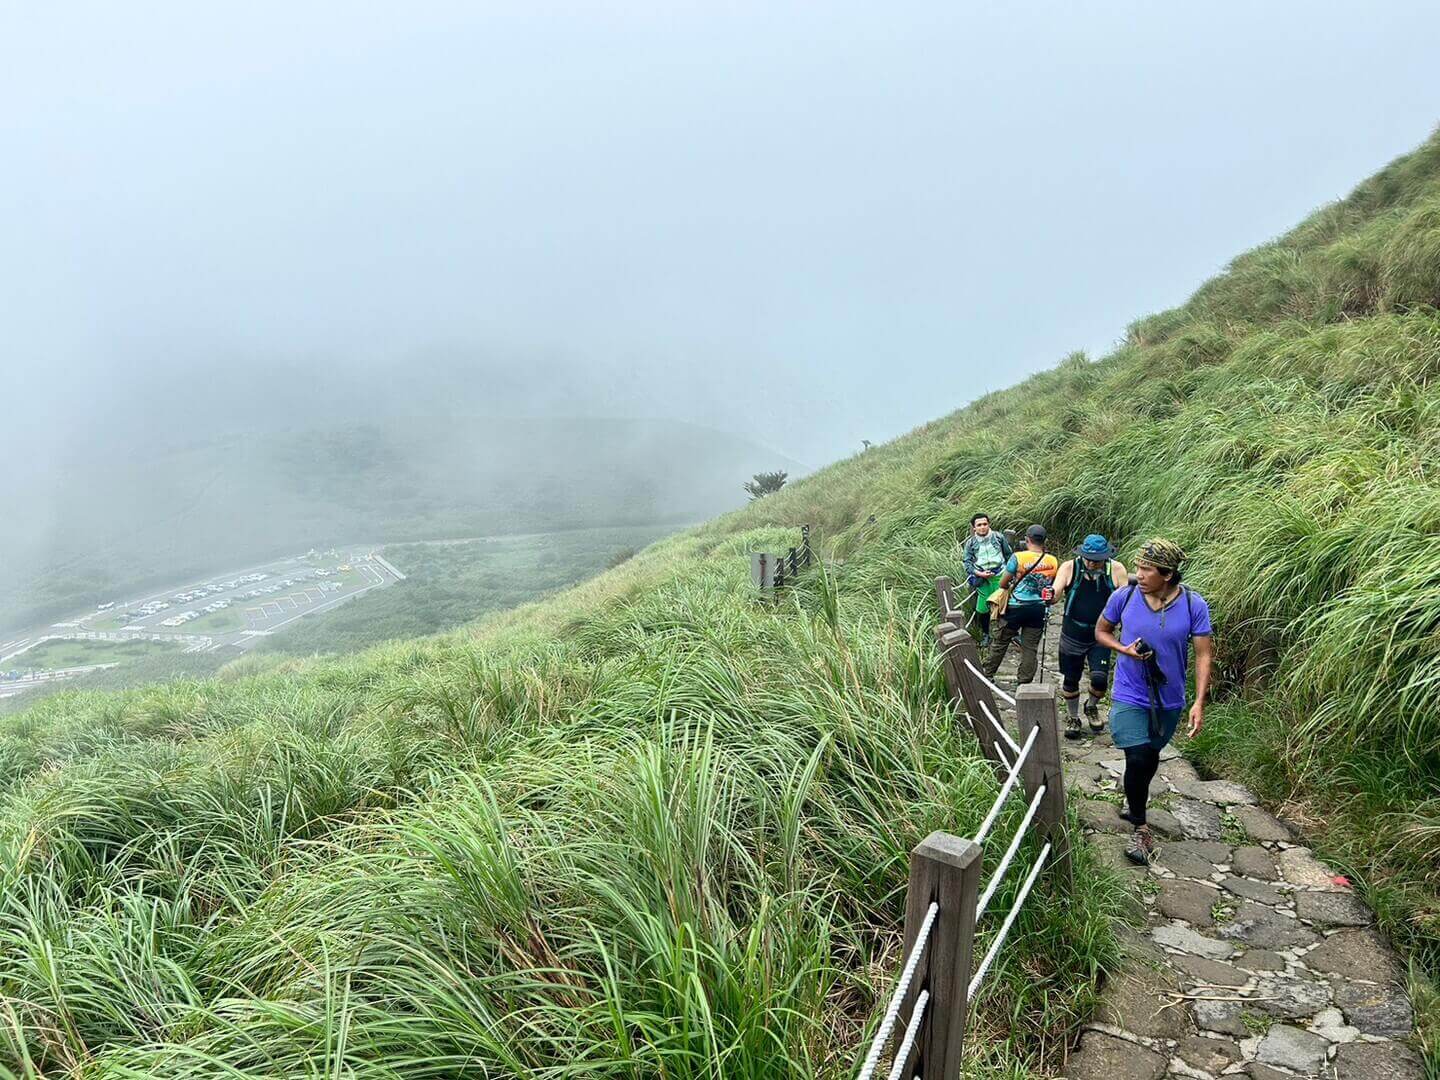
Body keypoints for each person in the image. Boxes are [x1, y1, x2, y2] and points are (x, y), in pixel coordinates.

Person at [1094, 538, 1213, 865]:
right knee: (1139, 755)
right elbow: (1101, 632)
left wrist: (1198, 702)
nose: (1139, 574)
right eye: (1139, 568)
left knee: (1148, 758)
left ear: (1168, 574)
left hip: (1169, 699)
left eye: (1146, 569)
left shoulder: (1193, 605)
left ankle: (1134, 800)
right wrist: (1124, 650)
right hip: (1130, 693)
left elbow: (1204, 654)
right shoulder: (1125, 596)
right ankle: (1140, 827)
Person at [1053, 534, 1129, 740]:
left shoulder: (1117, 569)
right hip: (1072, 632)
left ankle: (1091, 706)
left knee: (1100, 679)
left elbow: (1126, 599)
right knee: (1070, 679)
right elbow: (1057, 590)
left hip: (1101, 634)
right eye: (1088, 558)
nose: (1092, 563)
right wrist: (1049, 595)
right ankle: (1073, 717)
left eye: (1096, 559)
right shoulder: (1070, 567)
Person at [982, 524, 1058, 685]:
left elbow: (1003, 582)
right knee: (1030, 647)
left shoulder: (1018, 557)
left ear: (1027, 539)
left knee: (1001, 641)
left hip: (1016, 607)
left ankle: (987, 673)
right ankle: (1024, 681)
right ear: (1045, 541)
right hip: (1038, 608)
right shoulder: (1052, 560)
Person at [961, 513, 1012, 646]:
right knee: (982, 609)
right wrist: (979, 573)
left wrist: (1010, 572)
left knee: (1005, 605)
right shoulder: (970, 543)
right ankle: (986, 634)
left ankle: (1007, 634)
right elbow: (967, 562)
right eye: (979, 525)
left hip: (1000, 574)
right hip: (982, 577)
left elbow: (1008, 554)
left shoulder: (998, 537)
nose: (983, 527)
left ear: (989, 524)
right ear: (974, 528)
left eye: (985, 524)